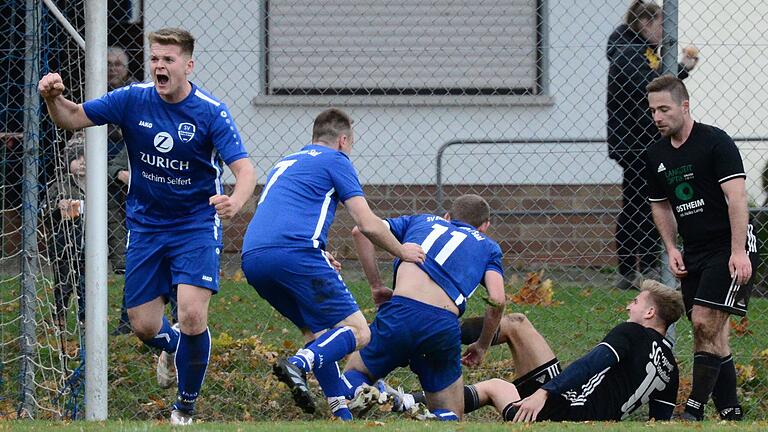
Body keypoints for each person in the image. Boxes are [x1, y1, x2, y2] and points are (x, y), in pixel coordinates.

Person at [37, 28, 256, 425]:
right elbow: (72, 118)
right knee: (143, 325)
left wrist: (235, 202)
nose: (159, 65)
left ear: (188, 65)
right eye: (155, 58)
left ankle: (184, 409)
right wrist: (53, 98)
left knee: (191, 315)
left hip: (194, 224)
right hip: (147, 225)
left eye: (168, 59)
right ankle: (172, 348)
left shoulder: (210, 111)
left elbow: (244, 169)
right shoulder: (132, 99)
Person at [240, 108, 425, 420]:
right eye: (351, 143)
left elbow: (280, 214)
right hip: (295, 252)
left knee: (319, 333)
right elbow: (366, 222)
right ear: (343, 140)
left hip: (254, 257)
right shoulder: (337, 160)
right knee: (359, 331)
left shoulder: (286, 162)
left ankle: (341, 414)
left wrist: (319, 253)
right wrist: (402, 252)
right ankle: (297, 364)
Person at [645, 75, 760, 421]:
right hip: (693, 250)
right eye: (652, 111)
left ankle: (693, 410)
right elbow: (661, 204)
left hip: (728, 245)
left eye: (664, 109)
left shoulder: (715, 142)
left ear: (685, 106)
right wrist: (671, 247)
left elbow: (737, 198)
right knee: (711, 333)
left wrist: (738, 252)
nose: (658, 117)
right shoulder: (655, 154)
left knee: (704, 320)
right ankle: (731, 412)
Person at [340, 194, 506, 421]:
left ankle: (361, 391)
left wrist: (377, 286)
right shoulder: (489, 247)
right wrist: (482, 345)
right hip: (442, 326)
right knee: (453, 413)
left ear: (447, 217)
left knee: (355, 373)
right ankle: (435, 419)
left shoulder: (421, 221)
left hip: (400, 313)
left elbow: (361, 231)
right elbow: (497, 300)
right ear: (484, 226)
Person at [458, 279, 682, 422]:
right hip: (575, 405)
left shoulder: (632, 332)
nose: (628, 306)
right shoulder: (671, 368)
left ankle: (426, 403)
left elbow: (592, 363)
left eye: (635, 301)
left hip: (568, 413)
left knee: (496, 387)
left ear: (650, 312)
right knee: (517, 324)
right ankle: (447, 333)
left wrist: (543, 393)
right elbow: (659, 423)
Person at [606, 0, 699, 290]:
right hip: (633, 142)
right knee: (640, 203)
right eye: (660, 24)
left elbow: (655, 85)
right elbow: (648, 87)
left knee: (645, 202)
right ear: (645, 24)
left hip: (644, 141)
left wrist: (680, 71)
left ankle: (641, 266)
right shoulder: (628, 51)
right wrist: (678, 71)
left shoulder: (642, 50)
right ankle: (636, 268)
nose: (663, 31)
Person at [44, 132, 88, 327]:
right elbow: (45, 208)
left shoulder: (98, 186)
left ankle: (85, 316)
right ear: (68, 162)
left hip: (89, 243)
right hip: (64, 244)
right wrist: (57, 206)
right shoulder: (60, 185)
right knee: (64, 282)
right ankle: (60, 314)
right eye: (77, 159)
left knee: (86, 283)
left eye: (86, 158)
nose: (82, 163)